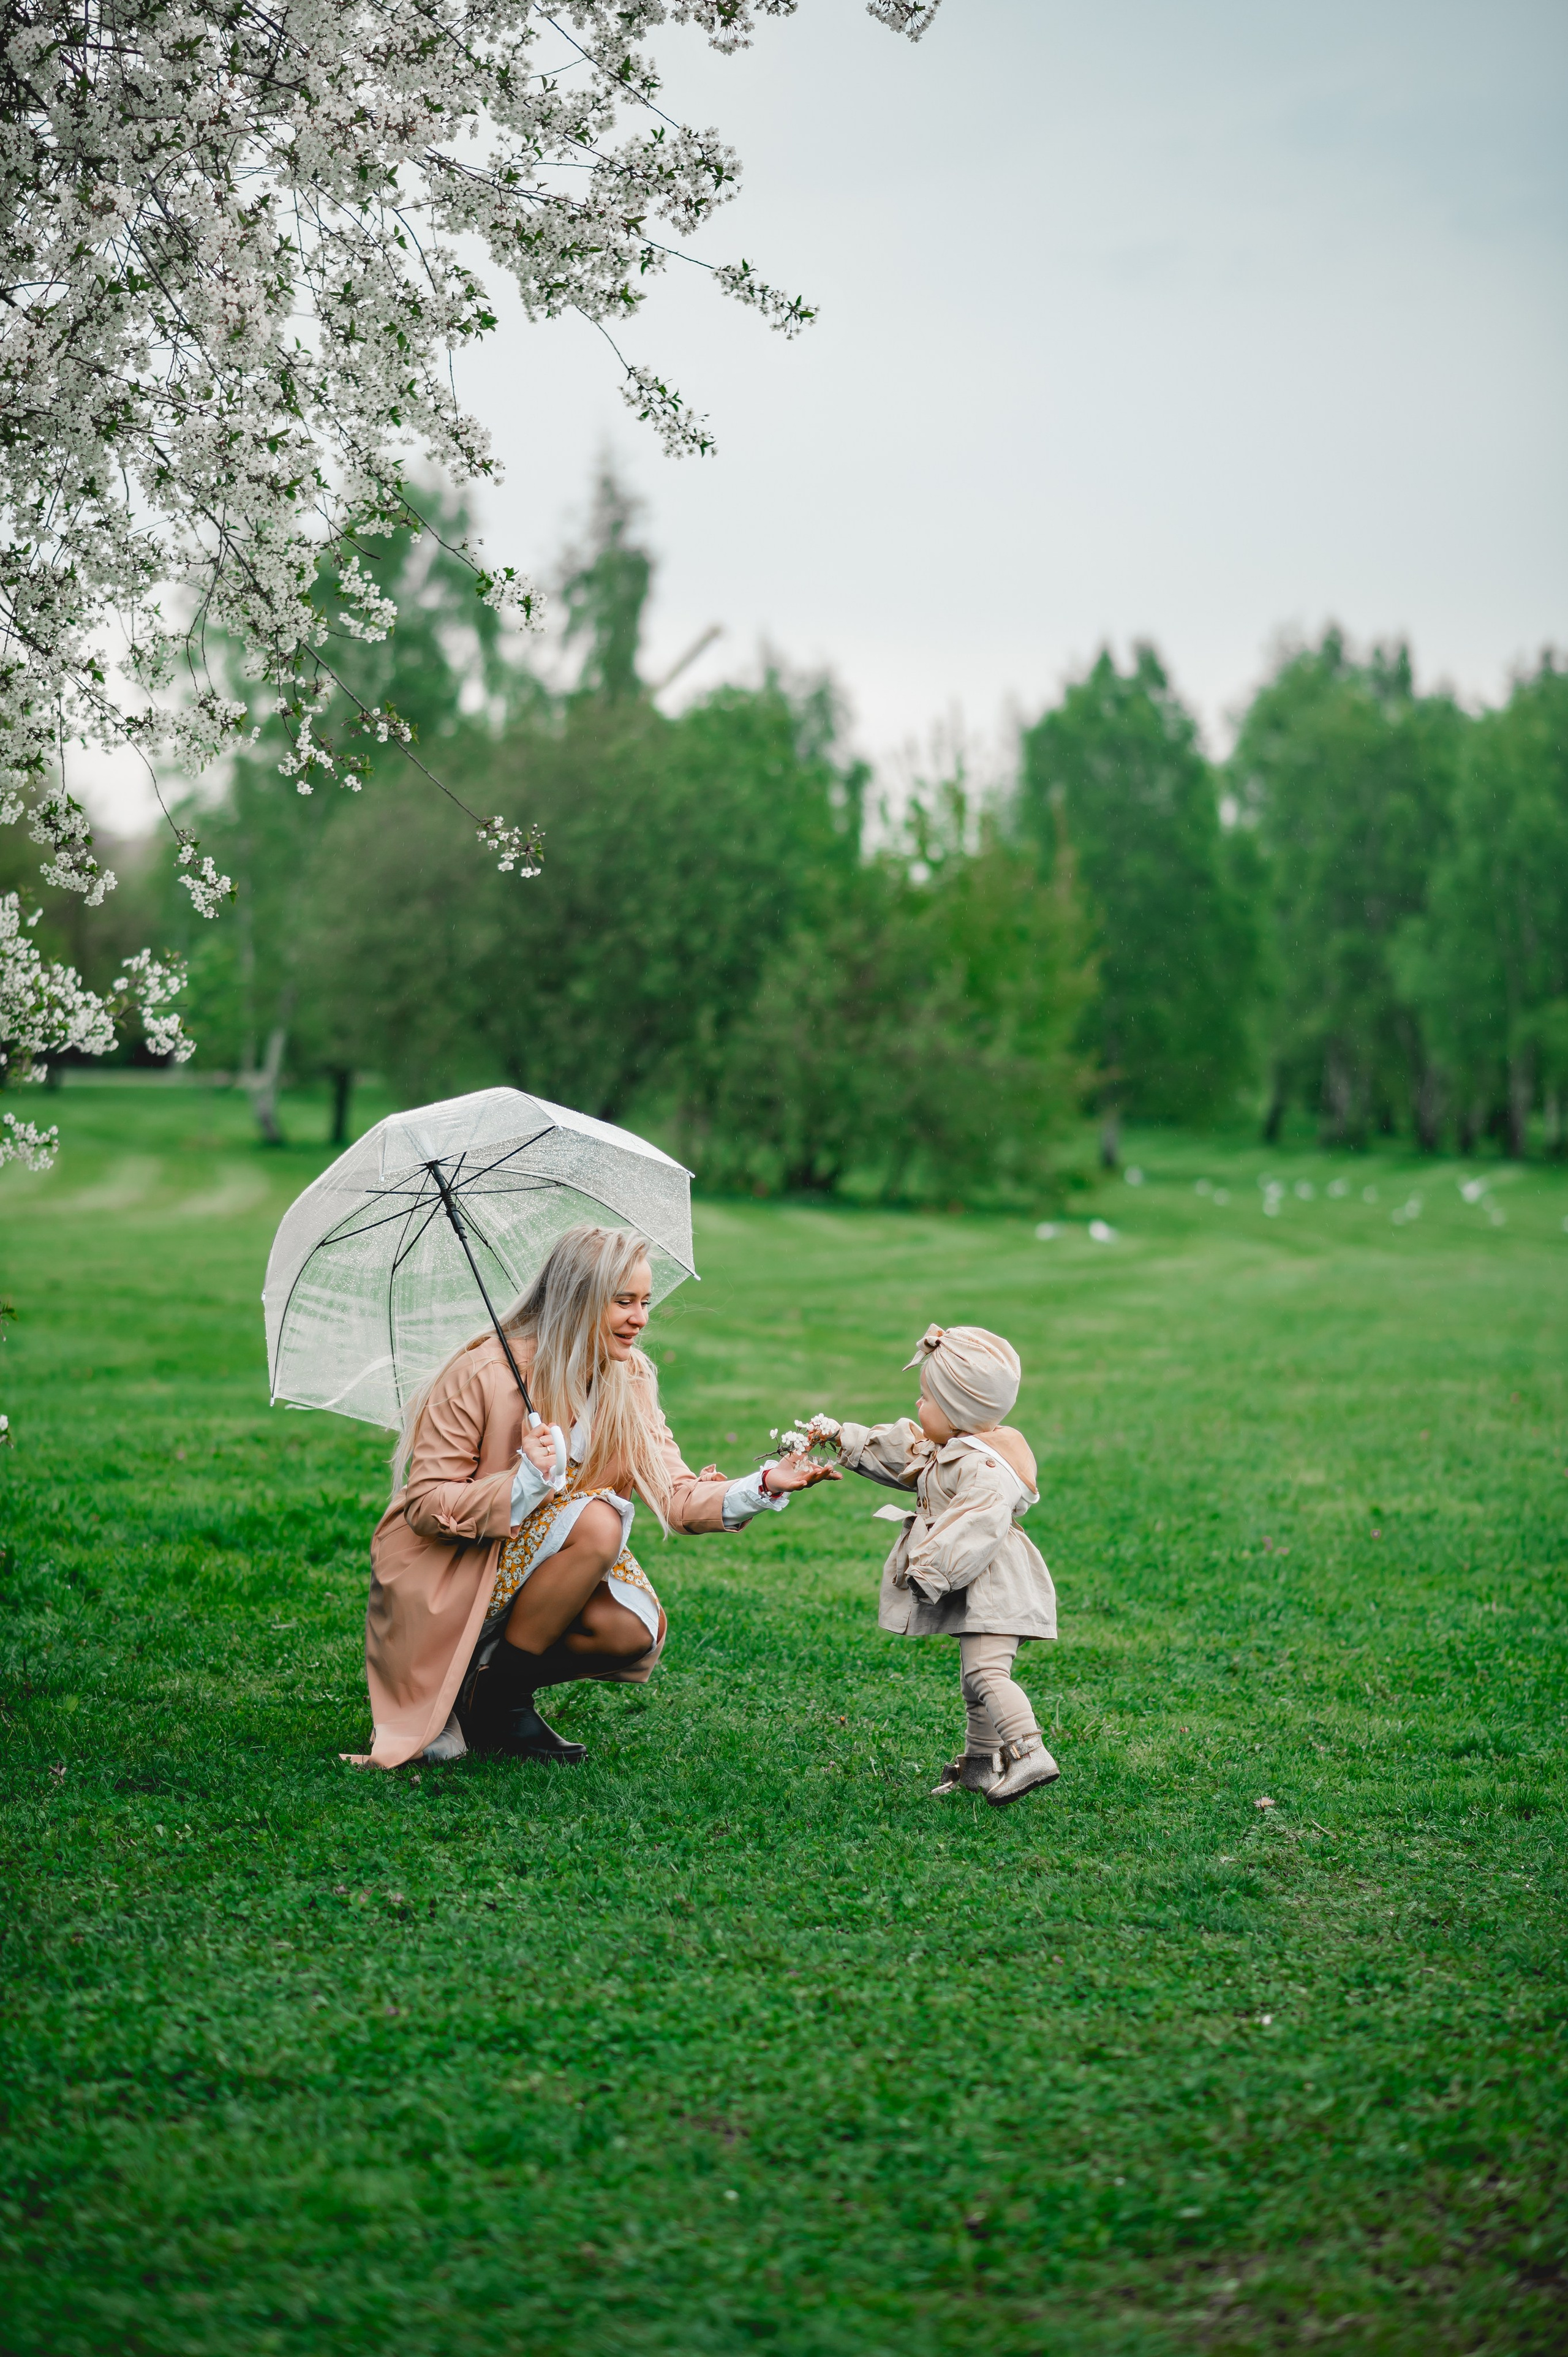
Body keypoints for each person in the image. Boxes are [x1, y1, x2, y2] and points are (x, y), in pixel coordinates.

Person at [357, 1223, 837, 1770]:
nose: (641, 1318)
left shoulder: (627, 1378)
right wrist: (522, 1483)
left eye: (646, 1302)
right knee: (599, 1520)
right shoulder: (484, 1371)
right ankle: (467, 1683)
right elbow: (424, 1506)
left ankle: (490, 1696)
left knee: (630, 1631)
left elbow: (676, 1495)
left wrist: (764, 1486)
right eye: (624, 1302)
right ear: (577, 1300)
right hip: (457, 1566)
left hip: (545, 1563)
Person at [824, 1322, 1060, 1807]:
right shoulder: (950, 1448)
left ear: (957, 1413)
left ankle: (1029, 1751)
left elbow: (978, 1524)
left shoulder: (984, 1468)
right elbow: (903, 1456)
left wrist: (930, 1568)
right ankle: (978, 1767)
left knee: (986, 1675)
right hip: (981, 1583)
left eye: (926, 1399)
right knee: (974, 1680)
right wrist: (841, 1436)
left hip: (996, 1583)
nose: (917, 1405)